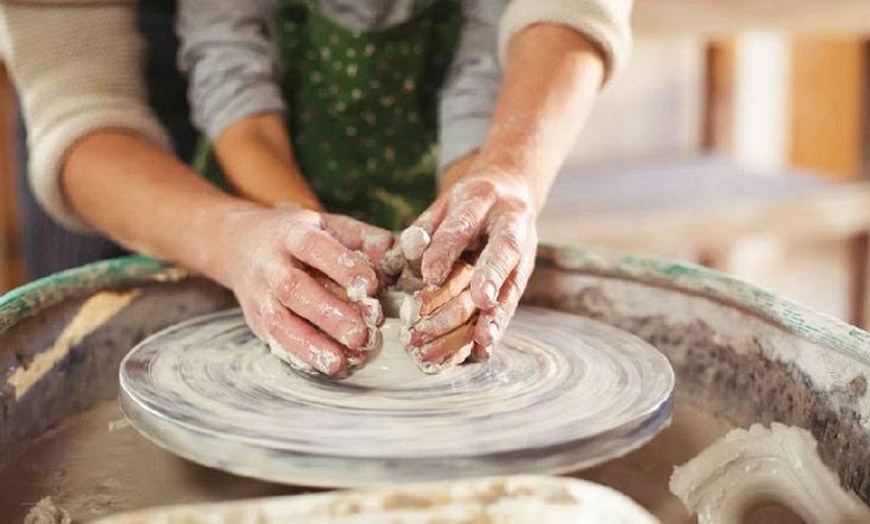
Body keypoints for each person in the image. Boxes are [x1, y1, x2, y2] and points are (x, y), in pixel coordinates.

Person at [0, 0, 632, 376]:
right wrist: (265, 236)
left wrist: (495, 182)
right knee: (103, 384)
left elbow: (476, 80)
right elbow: (229, 89)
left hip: (416, 169)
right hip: (210, 153)